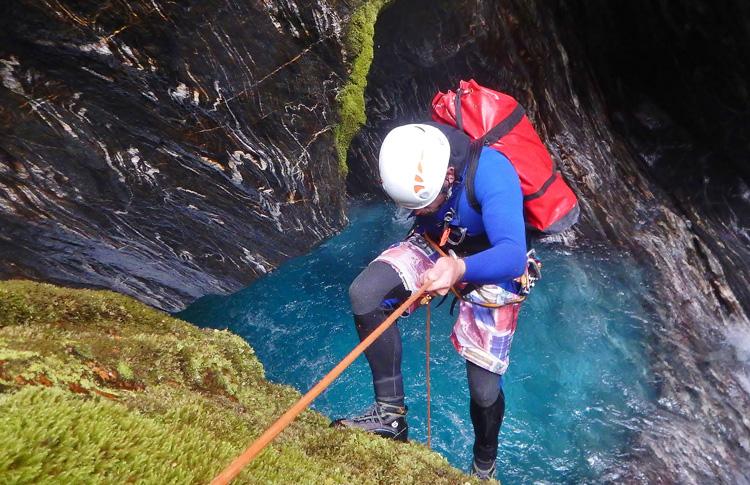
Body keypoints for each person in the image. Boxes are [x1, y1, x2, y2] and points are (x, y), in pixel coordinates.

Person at [333, 122, 528, 480]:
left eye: (425, 205)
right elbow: (425, 219)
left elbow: (513, 255)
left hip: (492, 261)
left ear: (450, 177)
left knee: (484, 391)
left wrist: (458, 268)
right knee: (365, 295)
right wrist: (440, 250)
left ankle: (484, 462)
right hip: (437, 243)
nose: (418, 211)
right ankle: (390, 414)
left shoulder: (492, 173)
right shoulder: (414, 157)